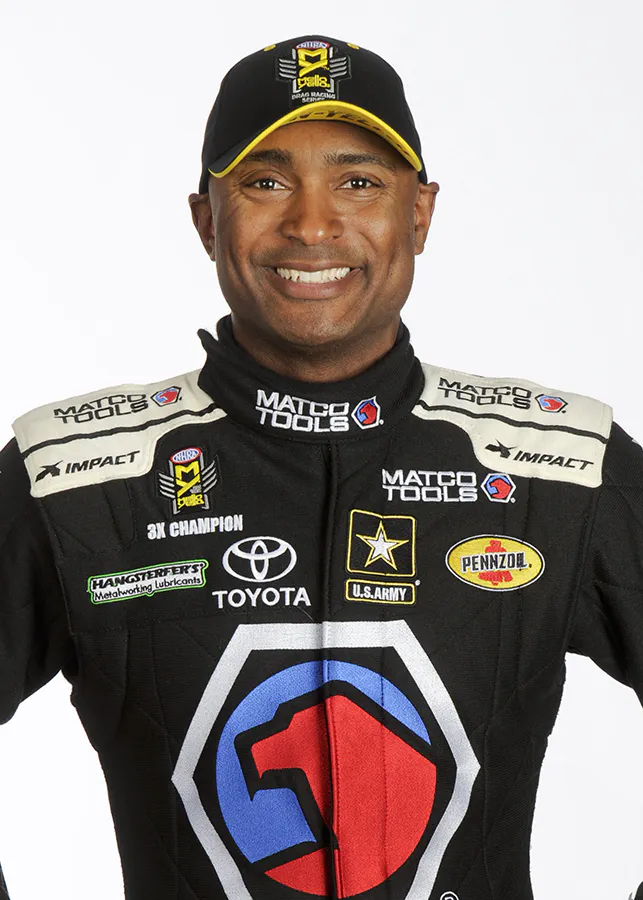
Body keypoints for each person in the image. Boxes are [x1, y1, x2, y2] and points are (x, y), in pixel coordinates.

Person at [0, 33, 641, 900]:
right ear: (206, 220)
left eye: (358, 182)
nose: (310, 225)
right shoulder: (75, 479)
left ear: (419, 213)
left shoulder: (558, 469)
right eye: (264, 183)